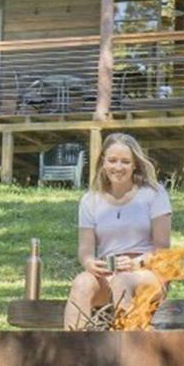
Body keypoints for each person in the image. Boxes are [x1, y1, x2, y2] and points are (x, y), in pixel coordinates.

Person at [62, 132, 172, 330]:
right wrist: (89, 263)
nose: (118, 167)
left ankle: (127, 349)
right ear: (103, 162)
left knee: (122, 281)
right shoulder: (90, 200)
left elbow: (162, 249)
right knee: (81, 283)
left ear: (135, 164)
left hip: (146, 272)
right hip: (108, 270)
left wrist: (135, 262)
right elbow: (85, 249)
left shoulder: (153, 194)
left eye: (125, 162)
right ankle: (73, 351)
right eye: (112, 160)